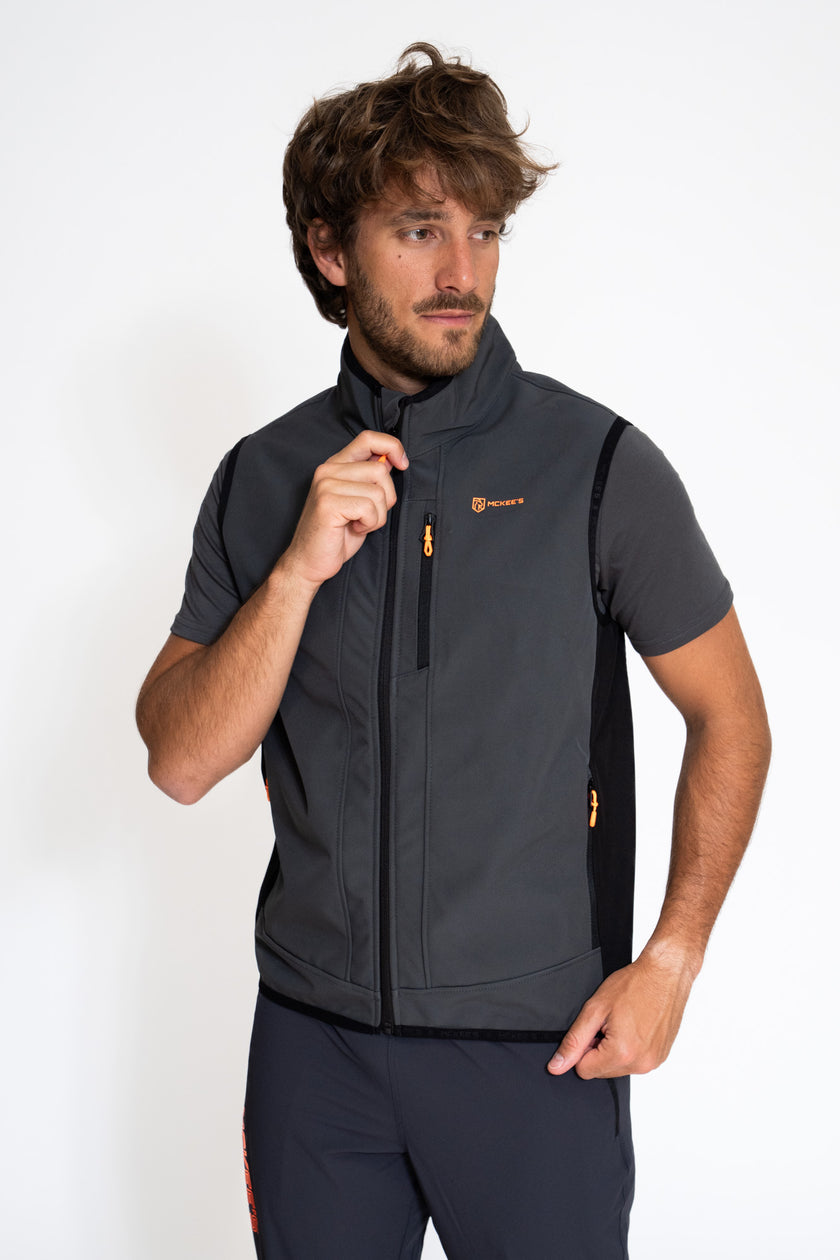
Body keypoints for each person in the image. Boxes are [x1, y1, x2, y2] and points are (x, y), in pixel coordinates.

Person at [136, 42, 771, 1260]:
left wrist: (672, 962)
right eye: (420, 231)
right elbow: (179, 759)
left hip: (536, 1051)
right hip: (315, 1050)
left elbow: (732, 716)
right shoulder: (264, 476)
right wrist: (296, 571)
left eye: (484, 233)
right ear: (332, 251)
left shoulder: (598, 466)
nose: (460, 274)